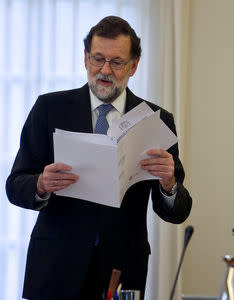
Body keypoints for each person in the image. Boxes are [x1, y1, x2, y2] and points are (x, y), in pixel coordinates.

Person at [6, 16, 192, 300]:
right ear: (85, 59)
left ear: (134, 65)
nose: (105, 70)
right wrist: (42, 184)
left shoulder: (156, 120)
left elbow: (177, 211)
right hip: (54, 266)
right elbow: (15, 184)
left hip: (122, 269)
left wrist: (169, 183)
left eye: (117, 62)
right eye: (98, 59)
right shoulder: (49, 108)